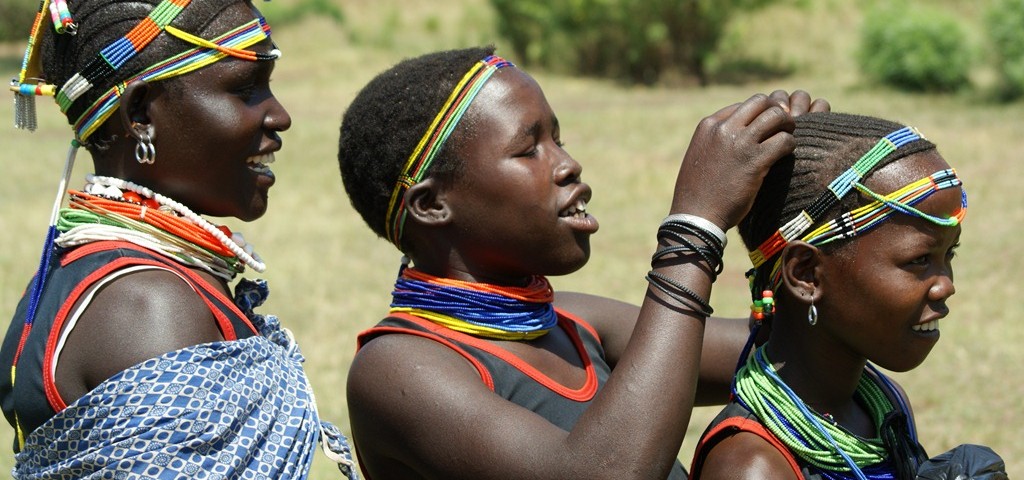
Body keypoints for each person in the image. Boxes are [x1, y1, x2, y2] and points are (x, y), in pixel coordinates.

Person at [336, 45, 828, 479]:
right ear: (432, 206)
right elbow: (605, 472)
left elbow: (788, 348)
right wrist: (694, 227)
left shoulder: (575, 321)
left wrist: (791, 212)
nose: (568, 165)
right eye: (529, 149)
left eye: (558, 139)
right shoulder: (398, 368)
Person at [0, 0, 356, 478]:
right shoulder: (146, 305)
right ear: (141, 114)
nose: (280, 116)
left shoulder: (84, 273)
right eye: (246, 90)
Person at [688, 112, 1005, 479]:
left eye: (949, 255)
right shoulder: (751, 465)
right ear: (806, 273)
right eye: (919, 260)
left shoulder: (883, 404)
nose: (945, 285)